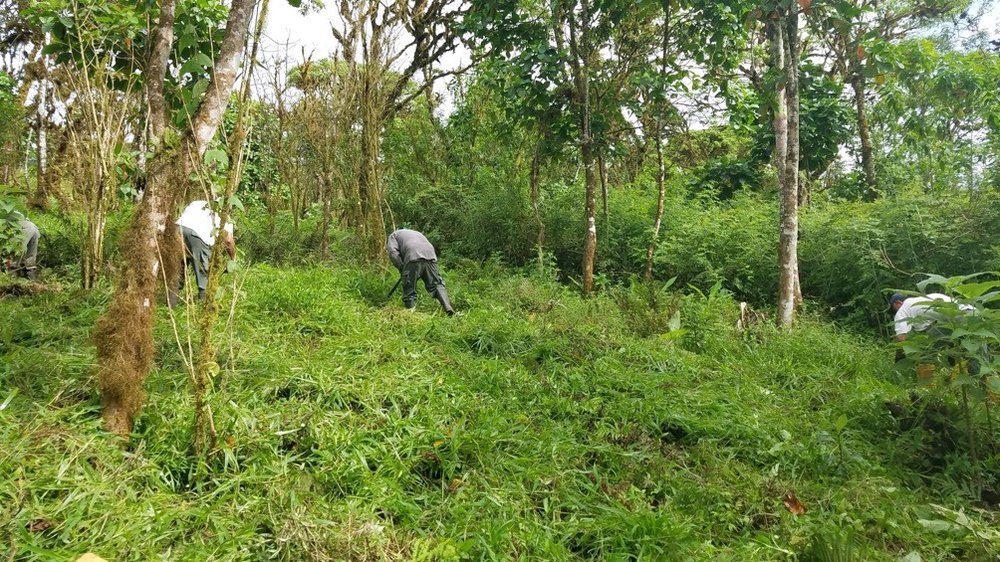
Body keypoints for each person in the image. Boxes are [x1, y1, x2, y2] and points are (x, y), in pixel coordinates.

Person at [174, 200, 235, 303]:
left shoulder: (197, 202)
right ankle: (203, 303)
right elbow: (229, 241)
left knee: (177, 266)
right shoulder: (224, 215)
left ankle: (171, 302)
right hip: (198, 235)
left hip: (177, 229)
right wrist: (233, 258)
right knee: (202, 270)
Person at [386, 228, 454, 315]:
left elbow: (393, 252)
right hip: (430, 254)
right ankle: (448, 307)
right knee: (436, 284)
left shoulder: (393, 235)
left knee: (409, 286)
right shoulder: (417, 233)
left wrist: (401, 267)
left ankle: (410, 313)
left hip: (413, 254)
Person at [2, 208, 39, 281]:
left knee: (14, 252)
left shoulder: (3, 212)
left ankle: (11, 281)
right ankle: (31, 282)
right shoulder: (7, 208)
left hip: (23, 228)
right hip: (34, 228)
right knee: (30, 258)